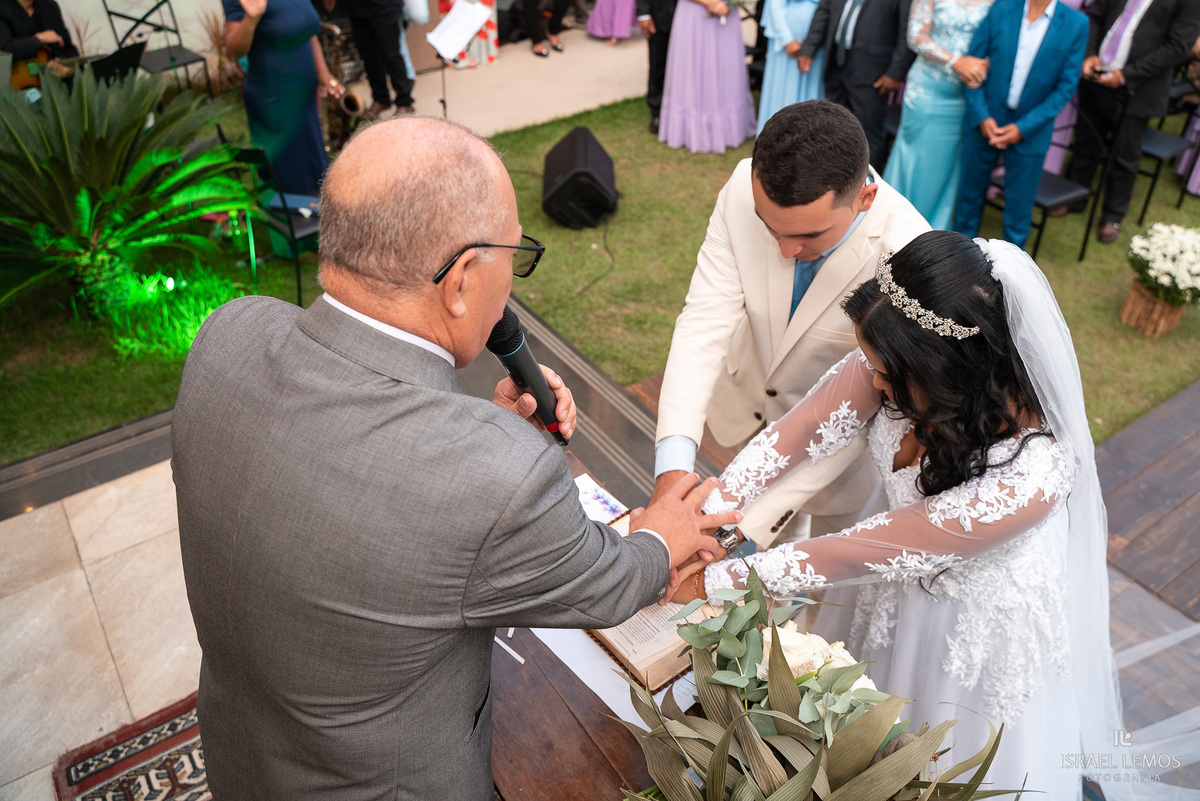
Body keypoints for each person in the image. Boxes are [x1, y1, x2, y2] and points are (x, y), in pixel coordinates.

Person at [173, 116, 738, 800]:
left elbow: (360, 472)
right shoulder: (495, 473)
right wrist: (660, 537)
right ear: (462, 277)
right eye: (514, 255)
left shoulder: (228, 332)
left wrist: (487, 435)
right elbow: (607, 584)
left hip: (241, 752)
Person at [670, 230, 1129, 801]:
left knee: (932, 766)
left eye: (886, 374)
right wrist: (700, 520)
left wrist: (711, 579)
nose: (872, 380)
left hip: (969, 626)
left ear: (947, 374)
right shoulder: (895, 358)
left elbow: (857, 552)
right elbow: (798, 431)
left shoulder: (1032, 475)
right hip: (884, 582)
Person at [652, 101, 930, 548]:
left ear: (865, 198)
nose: (785, 250)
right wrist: (673, 472)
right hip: (746, 418)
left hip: (839, 470)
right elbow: (705, 321)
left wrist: (737, 528)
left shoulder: (907, 256)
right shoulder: (743, 190)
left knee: (818, 582)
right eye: (770, 227)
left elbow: (875, 409)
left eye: (808, 236)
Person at [1058, 0, 1200, 244]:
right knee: (1085, 142)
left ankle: (1112, 216)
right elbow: (1096, 15)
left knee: (1125, 155)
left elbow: (1178, 47)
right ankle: (1074, 198)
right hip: (1097, 76)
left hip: (1139, 87)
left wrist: (1126, 75)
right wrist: (1090, 54)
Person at [953, 0, 1088, 247]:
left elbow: (1066, 87)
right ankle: (958, 260)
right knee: (967, 201)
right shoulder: (1002, 8)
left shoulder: (1076, 24)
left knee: (1018, 213)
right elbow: (972, 64)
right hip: (984, 121)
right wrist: (982, 115)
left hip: (1031, 131)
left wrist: (1023, 128)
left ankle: (1011, 269)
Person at [883, 0, 993, 229]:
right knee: (915, 158)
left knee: (948, 167)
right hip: (927, 91)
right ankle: (895, 225)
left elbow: (1005, 38)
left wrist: (986, 66)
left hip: (966, 96)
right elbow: (916, 37)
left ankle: (934, 231)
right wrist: (955, 61)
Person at [225, 0, 343, 195]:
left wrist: (323, 72)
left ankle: (317, 209)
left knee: (316, 168)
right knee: (292, 178)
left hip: (304, 97)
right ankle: (293, 211)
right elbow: (232, 50)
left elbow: (308, 32)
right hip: (275, 101)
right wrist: (251, 19)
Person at [796, 0, 917, 170]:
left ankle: (865, 179)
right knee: (831, 127)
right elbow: (824, 10)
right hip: (835, 62)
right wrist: (809, 47)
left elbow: (908, 29)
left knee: (868, 133)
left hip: (873, 72)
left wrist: (895, 73)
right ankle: (832, 175)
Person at [657, 0, 757, 152]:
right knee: (693, 66)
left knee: (726, 68)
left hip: (727, 15)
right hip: (694, 14)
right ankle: (690, 132)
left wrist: (730, 4)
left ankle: (728, 131)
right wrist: (710, 2)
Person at [756, 0, 825, 134]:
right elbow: (775, 4)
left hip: (818, 42)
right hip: (787, 44)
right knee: (785, 87)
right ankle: (777, 134)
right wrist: (786, 39)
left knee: (813, 91)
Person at [342, 0, 416, 115]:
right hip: (357, 9)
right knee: (369, 57)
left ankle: (404, 102)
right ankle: (381, 99)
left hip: (385, 7)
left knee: (391, 55)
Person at [0, 0, 77, 85]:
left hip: (57, 84)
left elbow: (67, 47)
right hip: (16, 86)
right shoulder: (3, 8)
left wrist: (71, 69)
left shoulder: (49, 6)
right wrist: (39, 38)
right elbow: (5, 49)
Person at [637, 0, 679, 133]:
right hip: (661, 15)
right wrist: (644, 13)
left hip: (699, 15)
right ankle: (658, 111)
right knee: (659, 64)